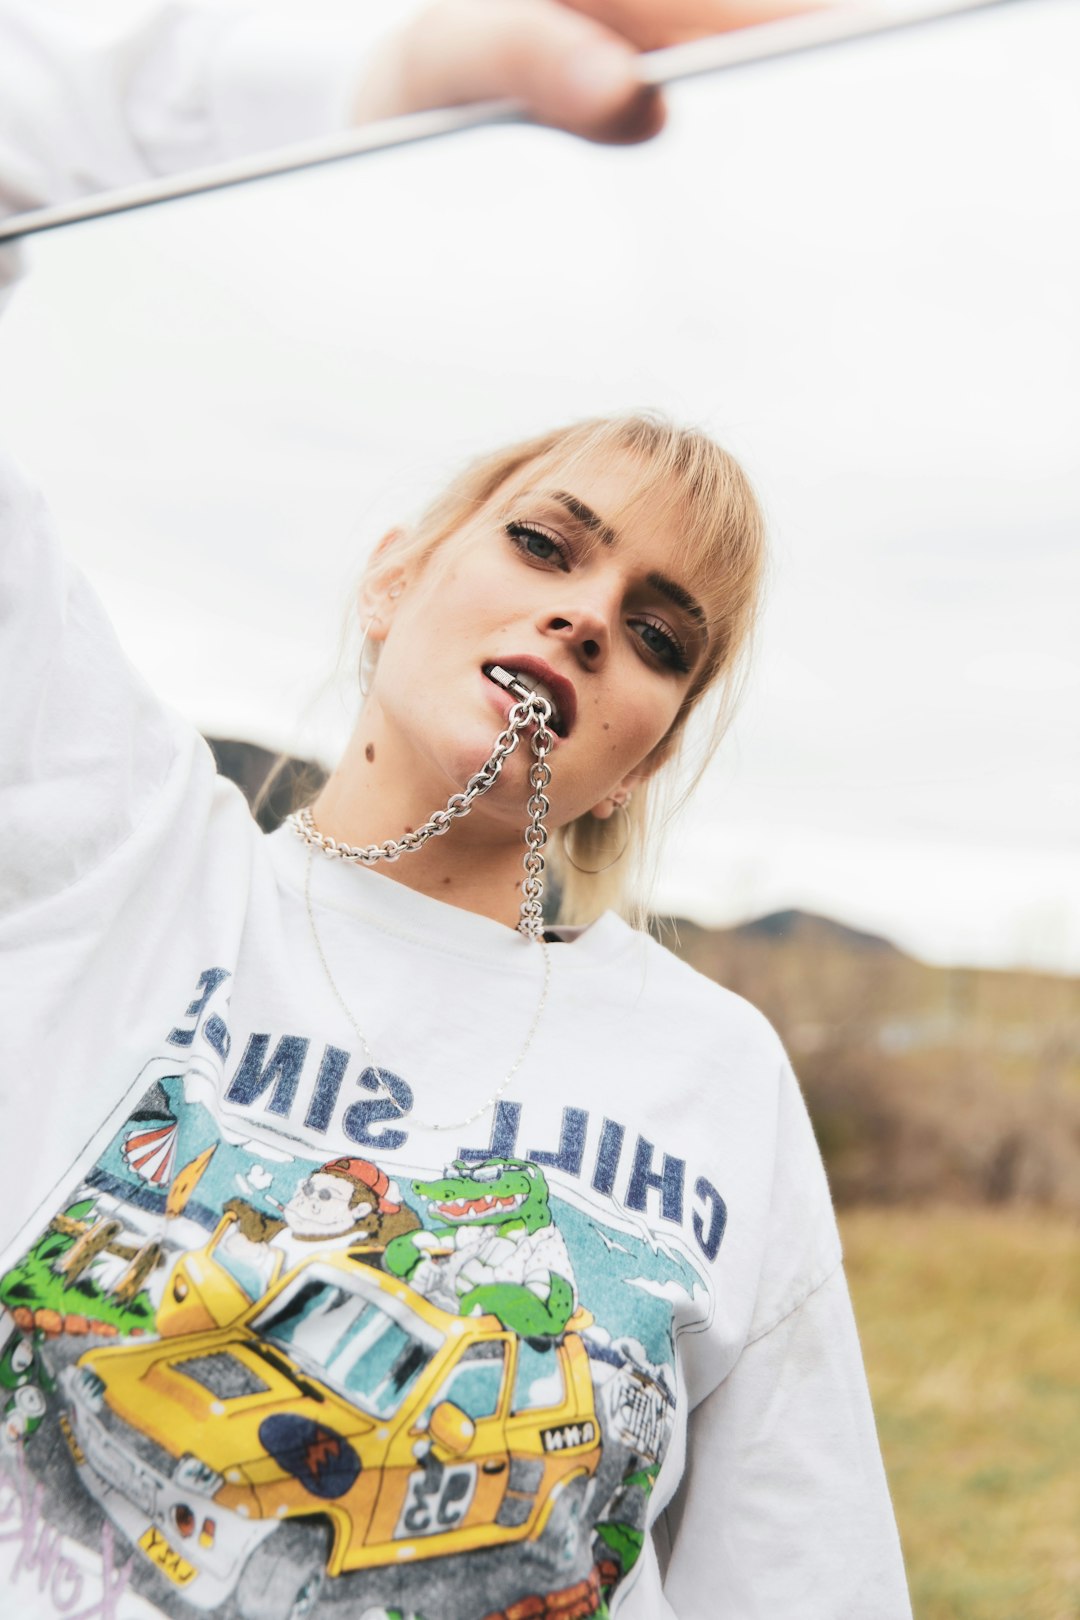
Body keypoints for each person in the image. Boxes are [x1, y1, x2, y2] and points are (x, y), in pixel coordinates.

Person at [0, 3, 912, 1618]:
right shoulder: (111, 848)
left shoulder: (718, 1076)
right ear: (395, 576)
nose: (585, 619)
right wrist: (383, 78)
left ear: (639, 752)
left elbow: (804, 1578)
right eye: (549, 547)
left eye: (655, 636)